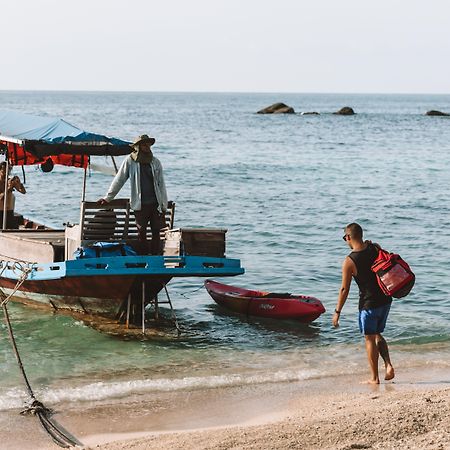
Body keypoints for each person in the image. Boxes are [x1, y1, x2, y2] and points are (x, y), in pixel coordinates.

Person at [332, 222, 395, 384]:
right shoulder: (374, 248)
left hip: (369, 305)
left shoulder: (349, 261)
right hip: (385, 300)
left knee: (369, 339)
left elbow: (344, 289)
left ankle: (375, 378)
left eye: (344, 238)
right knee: (377, 334)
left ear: (348, 237)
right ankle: (388, 365)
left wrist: (337, 312)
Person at [98, 134, 168, 255]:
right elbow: (119, 180)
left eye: (148, 144)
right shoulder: (130, 161)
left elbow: (161, 184)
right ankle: (144, 256)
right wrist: (108, 198)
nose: (147, 146)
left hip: (155, 203)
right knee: (141, 232)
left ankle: (155, 256)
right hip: (139, 204)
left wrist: (163, 205)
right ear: (138, 146)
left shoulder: (155, 162)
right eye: (144, 144)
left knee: (156, 232)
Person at [0, 162, 27, 229]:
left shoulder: (10, 181)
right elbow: (1, 198)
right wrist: (9, 188)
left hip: (10, 213)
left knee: (14, 229)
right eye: (5, 170)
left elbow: (23, 191)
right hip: (0, 213)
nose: (7, 171)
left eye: (9, 169)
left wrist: (19, 183)